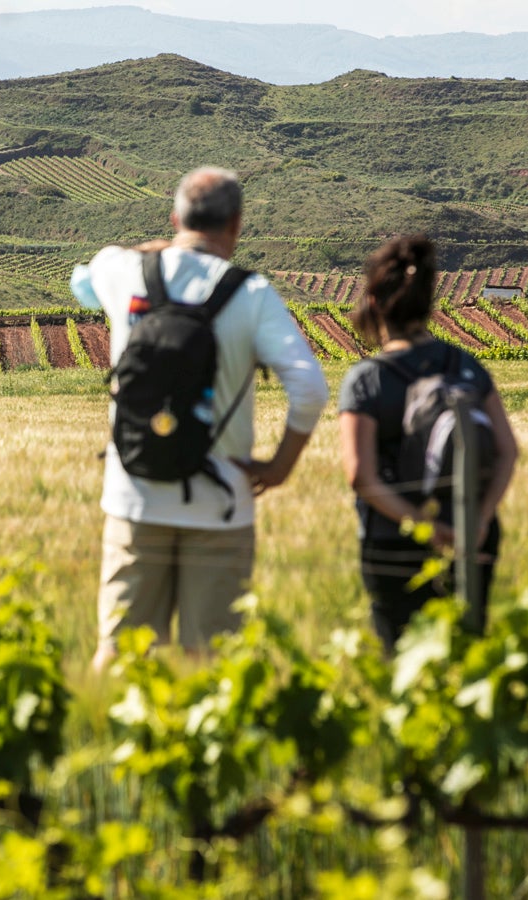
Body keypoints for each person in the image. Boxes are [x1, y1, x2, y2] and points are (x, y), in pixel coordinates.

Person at [71, 166, 329, 672]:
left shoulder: (119, 271)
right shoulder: (250, 295)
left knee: (122, 657)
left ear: (174, 217)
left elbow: (82, 285)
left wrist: (149, 252)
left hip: (134, 495)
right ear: (236, 225)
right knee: (213, 663)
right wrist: (279, 467)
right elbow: (310, 389)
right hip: (220, 503)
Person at [337, 234, 518, 654]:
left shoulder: (367, 380)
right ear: (427, 305)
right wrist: (478, 523)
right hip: (473, 535)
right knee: (468, 654)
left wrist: (426, 529)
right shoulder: (464, 366)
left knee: (404, 666)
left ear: (374, 304)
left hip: (393, 543)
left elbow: (360, 476)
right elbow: (508, 451)